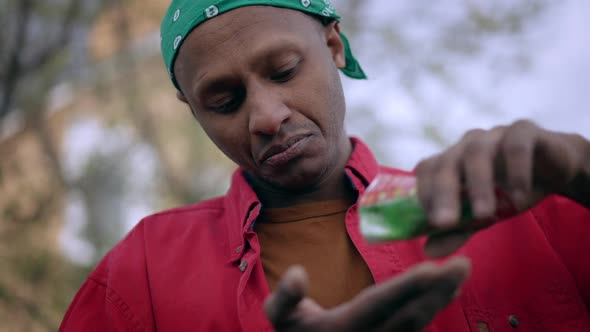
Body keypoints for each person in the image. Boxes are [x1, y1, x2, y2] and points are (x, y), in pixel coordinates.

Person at [59, 1, 590, 331]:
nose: (266, 117)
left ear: (332, 44)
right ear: (192, 112)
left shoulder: (513, 202)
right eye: (224, 101)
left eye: (285, 70)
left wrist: (581, 173)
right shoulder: (144, 275)